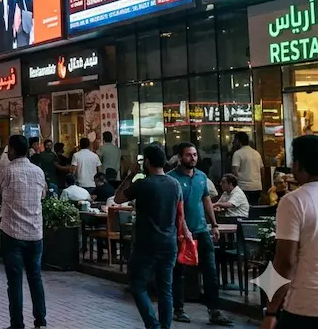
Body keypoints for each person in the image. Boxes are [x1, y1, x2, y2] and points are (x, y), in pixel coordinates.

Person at [114, 144, 181, 329]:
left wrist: (130, 175)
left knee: (137, 286)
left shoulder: (143, 184)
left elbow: (118, 198)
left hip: (146, 243)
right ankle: (165, 326)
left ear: (148, 162)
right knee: (165, 289)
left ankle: (153, 325)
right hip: (169, 242)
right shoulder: (174, 184)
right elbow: (179, 213)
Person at [167, 142, 233, 326]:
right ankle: (178, 309)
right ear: (179, 157)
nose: (193, 158)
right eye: (188, 155)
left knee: (210, 271)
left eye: (194, 154)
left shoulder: (202, 177)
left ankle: (214, 311)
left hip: (202, 230)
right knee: (179, 271)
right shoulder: (171, 179)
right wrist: (183, 229)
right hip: (180, 232)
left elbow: (206, 201)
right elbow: (172, 209)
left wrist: (214, 224)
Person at [0, 134, 48, 329]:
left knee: (14, 282)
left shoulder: (5, 172)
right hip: (35, 233)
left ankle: (17, 324)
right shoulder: (38, 172)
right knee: (35, 278)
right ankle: (41, 321)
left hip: (11, 233)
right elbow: (43, 193)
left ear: (12, 150)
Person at [264, 134, 318, 327]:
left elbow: (285, 262)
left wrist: (271, 311)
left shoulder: (294, 201)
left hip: (306, 306)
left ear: (299, 164)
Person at [230, 132, 265, 204]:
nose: (233, 142)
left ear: (238, 141)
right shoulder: (256, 153)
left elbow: (234, 172)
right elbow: (262, 171)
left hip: (243, 187)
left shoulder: (237, 153)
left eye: (235, 140)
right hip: (257, 187)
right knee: (254, 208)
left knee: (243, 209)